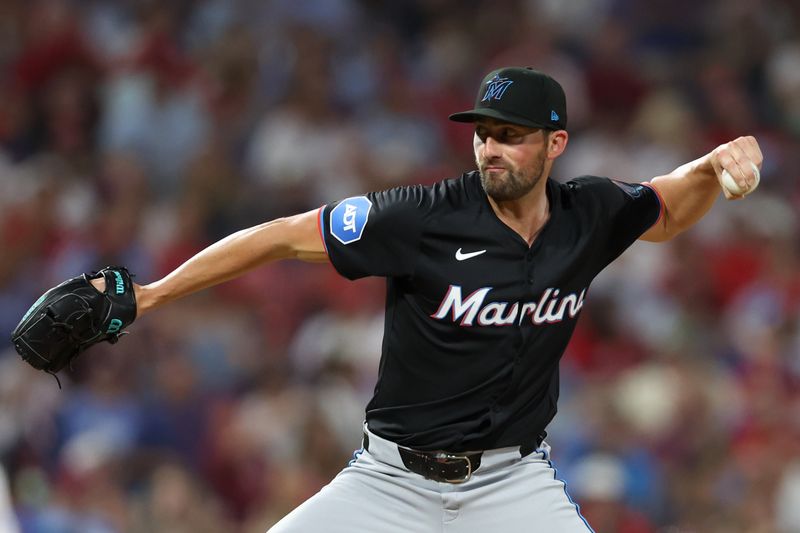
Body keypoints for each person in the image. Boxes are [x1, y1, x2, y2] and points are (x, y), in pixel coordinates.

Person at [92, 66, 763, 532]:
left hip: (512, 482)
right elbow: (279, 237)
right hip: (391, 479)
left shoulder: (589, 213)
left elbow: (668, 207)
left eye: (510, 135)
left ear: (555, 143)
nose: (490, 148)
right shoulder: (422, 217)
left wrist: (708, 165)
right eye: (483, 132)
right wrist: (152, 294)